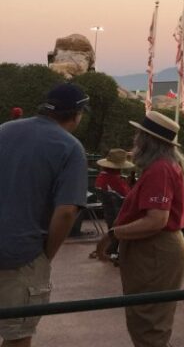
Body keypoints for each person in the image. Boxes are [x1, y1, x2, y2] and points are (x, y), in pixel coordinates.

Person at [0, 83, 89, 347]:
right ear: (76, 114)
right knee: (16, 336)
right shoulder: (70, 148)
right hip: (22, 255)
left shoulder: (4, 130)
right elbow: (66, 212)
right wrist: (45, 255)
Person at [112, 111, 184, 347]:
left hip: (155, 249)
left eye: (139, 134)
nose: (135, 139)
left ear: (148, 140)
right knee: (149, 320)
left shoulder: (160, 170)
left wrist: (116, 233)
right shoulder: (164, 166)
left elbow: (156, 220)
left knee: (149, 323)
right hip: (156, 248)